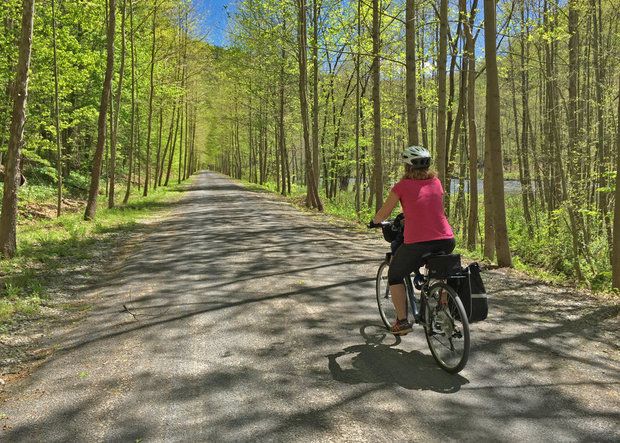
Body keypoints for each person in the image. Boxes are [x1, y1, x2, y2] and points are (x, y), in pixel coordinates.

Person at [369, 146, 455, 335]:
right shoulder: (437, 182)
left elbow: (386, 211)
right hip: (447, 239)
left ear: (407, 166)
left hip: (418, 243)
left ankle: (401, 322)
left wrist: (374, 222)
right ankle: (443, 306)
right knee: (440, 271)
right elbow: (428, 207)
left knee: (395, 275)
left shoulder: (401, 186)